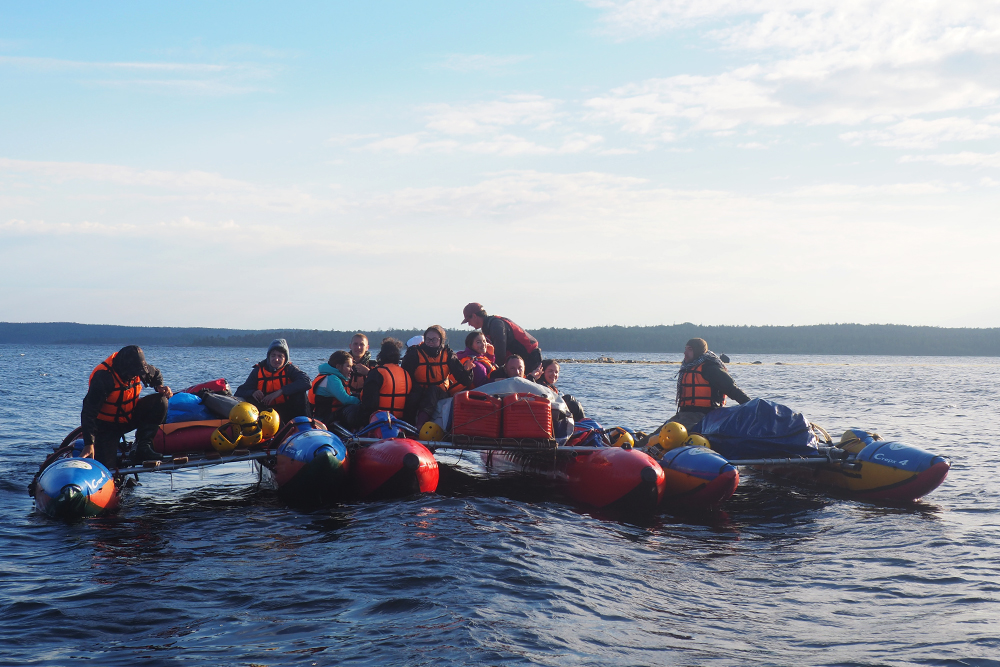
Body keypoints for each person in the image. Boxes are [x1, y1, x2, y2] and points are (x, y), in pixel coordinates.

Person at [80, 345, 173, 467]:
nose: (135, 376)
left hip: (129, 417)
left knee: (161, 401)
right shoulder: (104, 377)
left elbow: (156, 374)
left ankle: (143, 447)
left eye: (137, 373)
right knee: (107, 467)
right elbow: (88, 412)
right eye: (132, 373)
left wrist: (159, 386)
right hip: (106, 427)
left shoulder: (139, 369)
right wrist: (89, 444)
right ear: (123, 369)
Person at [669, 337, 751, 429]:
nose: (685, 353)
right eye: (685, 349)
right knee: (654, 436)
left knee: (662, 436)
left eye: (689, 349)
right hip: (684, 415)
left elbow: (732, 389)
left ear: (698, 351)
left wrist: (751, 406)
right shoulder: (688, 367)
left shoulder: (710, 368)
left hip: (704, 416)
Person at [401, 325, 473, 424]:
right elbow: (405, 376)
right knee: (414, 395)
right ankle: (407, 426)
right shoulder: (414, 354)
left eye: (434, 340)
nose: (430, 342)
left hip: (440, 392)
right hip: (420, 390)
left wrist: (467, 371)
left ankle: (420, 425)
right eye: (428, 339)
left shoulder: (448, 354)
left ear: (441, 340)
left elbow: (464, 380)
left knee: (433, 390)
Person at [234, 339, 312, 424]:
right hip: (267, 413)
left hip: (289, 410)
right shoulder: (258, 371)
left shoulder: (290, 369)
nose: (276, 359)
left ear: (285, 358)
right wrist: (252, 392)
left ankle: (305, 426)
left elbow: (307, 382)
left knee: (300, 392)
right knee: (249, 398)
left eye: (280, 356)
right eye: (273, 355)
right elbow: (239, 391)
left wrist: (280, 391)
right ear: (268, 357)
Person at [461, 303, 542, 376]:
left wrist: (493, 372)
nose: (469, 324)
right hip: (518, 362)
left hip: (530, 359)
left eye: (469, 320)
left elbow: (500, 353)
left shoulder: (496, 325)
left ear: (474, 316)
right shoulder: (488, 326)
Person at [357, 338, 413, 423]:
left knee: (348, 409)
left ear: (381, 355)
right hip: (400, 422)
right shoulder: (406, 374)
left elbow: (369, 403)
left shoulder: (377, 373)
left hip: (379, 422)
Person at [309, 350, 360, 427]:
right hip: (324, 419)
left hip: (327, 416)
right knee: (355, 408)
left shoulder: (330, 376)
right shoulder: (332, 379)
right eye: (348, 366)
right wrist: (362, 402)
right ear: (338, 366)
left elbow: (348, 395)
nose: (351, 370)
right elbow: (346, 400)